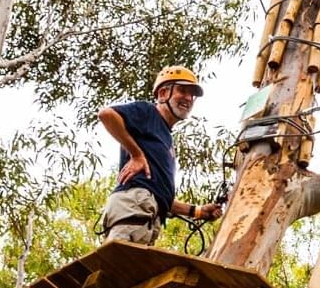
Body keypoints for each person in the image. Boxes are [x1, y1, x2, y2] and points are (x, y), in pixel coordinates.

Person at [96, 66, 224, 245]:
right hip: (133, 207)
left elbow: (159, 195)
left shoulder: (166, 138)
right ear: (163, 93)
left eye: (192, 94)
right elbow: (106, 115)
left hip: (146, 216)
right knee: (119, 266)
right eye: (182, 90)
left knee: (133, 271)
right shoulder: (148, 112)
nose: (188, 98)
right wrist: (136, 155)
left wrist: (198, 211)